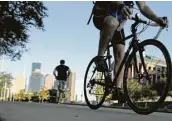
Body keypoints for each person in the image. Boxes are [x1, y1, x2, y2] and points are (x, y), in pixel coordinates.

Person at [90, 1, 168, 102]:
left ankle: (117, 90)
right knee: (112, 22)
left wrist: (157, 19)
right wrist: (121, 5)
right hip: (102, 12)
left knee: (120, 54)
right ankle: (100, 58)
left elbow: (143, 7)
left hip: (118, 23)